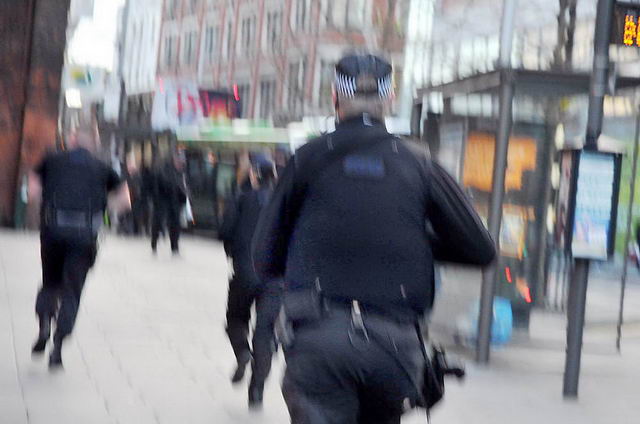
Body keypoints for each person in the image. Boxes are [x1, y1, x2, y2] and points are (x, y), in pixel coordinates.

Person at [252, 53, 496, 423]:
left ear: (335, 97)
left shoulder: (306, 159)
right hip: (393, 347)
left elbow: (263, 257)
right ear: (390, 99)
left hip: (319, 340)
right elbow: (481, 249)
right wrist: (417, 241)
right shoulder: (419, 164)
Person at [29, 127, 130, 369]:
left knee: (50, 282)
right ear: (93, 144)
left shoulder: (52, 160)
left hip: (53, 231)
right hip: (84, 235)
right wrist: (104, 212)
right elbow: (125, 201)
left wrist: (44, 204)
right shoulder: (103, 168)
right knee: (72, 291)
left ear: (72, 140)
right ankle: (57, 348)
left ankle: (44, 325)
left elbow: (33, 191)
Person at [219, 157, 280, 408]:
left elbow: (225, 231)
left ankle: (243, 352)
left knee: (235, 318)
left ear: (254, 175)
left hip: (245, 272)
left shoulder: (241, 198)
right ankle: (256, 391)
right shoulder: (284, 202)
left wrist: (233, 251)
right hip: (276, 278)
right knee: (266, 332)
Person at [150, 153, 187, 254]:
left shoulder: (181, 173)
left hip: (175, 202)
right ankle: (154, 242)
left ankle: (174, 246)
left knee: (175, 224)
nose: (181, 164)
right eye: (180, 162)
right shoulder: (164, 170)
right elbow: (161, 185)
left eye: (182, 163)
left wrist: (184, 196)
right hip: (162, 201)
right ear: (175, 160)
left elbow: (184, 186)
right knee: (158, 222)